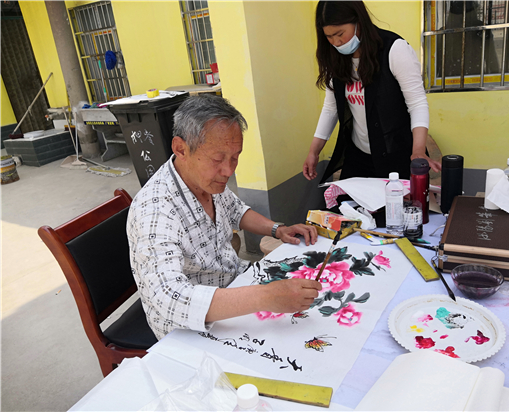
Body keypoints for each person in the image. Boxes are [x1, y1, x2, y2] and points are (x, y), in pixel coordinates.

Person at [127, 94, 321, 339]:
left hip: (233, 286)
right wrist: (266, 297)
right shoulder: (155, 209)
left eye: (235, 157)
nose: (229, 170)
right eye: (218, 159)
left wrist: (278, 230)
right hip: (189, 328)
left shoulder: (206, 180)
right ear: (181, 149)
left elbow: (235, 211)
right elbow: (169, 298)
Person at [303, 1, 441, 184]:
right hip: (358, 156)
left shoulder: (394, 49)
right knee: (346, 202)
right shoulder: (335, 58)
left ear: (358, 21)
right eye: (329, 36)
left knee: (396, 202)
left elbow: (417, 104)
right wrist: (314, 151)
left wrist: (418, 151)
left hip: (395, 155)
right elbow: (330, 108)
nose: (336, 42)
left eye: (340, 34)